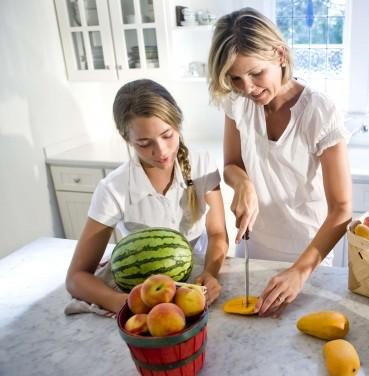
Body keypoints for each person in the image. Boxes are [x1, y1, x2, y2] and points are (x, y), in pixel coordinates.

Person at [207, 8, 352, 318]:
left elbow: (342, 210)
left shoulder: (320, 112)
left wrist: (300, 271)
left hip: (308, 253)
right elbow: (232, 163)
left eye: (256, 72)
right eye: (235, 78)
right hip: (255, 247)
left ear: (281, 56)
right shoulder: (238, 102)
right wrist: (243, 183)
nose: (247, 87)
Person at [66, 79, 228, 314]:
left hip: (195, 279)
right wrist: (122, 303)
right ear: (127, 139)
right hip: (144, 293)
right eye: (144, 143)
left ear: (178, 124)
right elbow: (75, 278)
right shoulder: (113, 188)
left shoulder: (201, 164)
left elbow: (217, 233)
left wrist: (211, 274)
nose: (161, 151)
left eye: (167, 135)